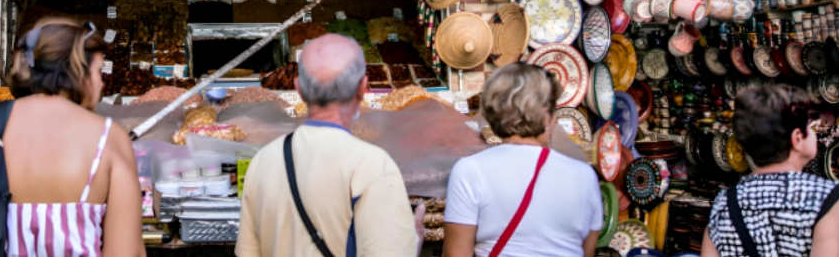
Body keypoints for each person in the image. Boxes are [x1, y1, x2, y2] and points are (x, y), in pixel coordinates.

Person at [236, 33, 422, 257]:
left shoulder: (262, 161)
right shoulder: (372, 165)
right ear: (363, 87)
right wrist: (413, 241)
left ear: (299, 89)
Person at [0, 18, 144, 257]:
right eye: (98, 71)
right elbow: (126, 252)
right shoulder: (107, 136)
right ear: (77, 70)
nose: (102, 82)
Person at [443, 63, 602, 257]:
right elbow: (588, 252)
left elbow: (456, 254)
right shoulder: (585, 176)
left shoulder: (469, 170)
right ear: (546, 116)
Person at [702, 85, 839, 257]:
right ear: (797, 138)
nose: (815, 134)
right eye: (810, 128)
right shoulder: (830, 199)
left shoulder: (724, 203)